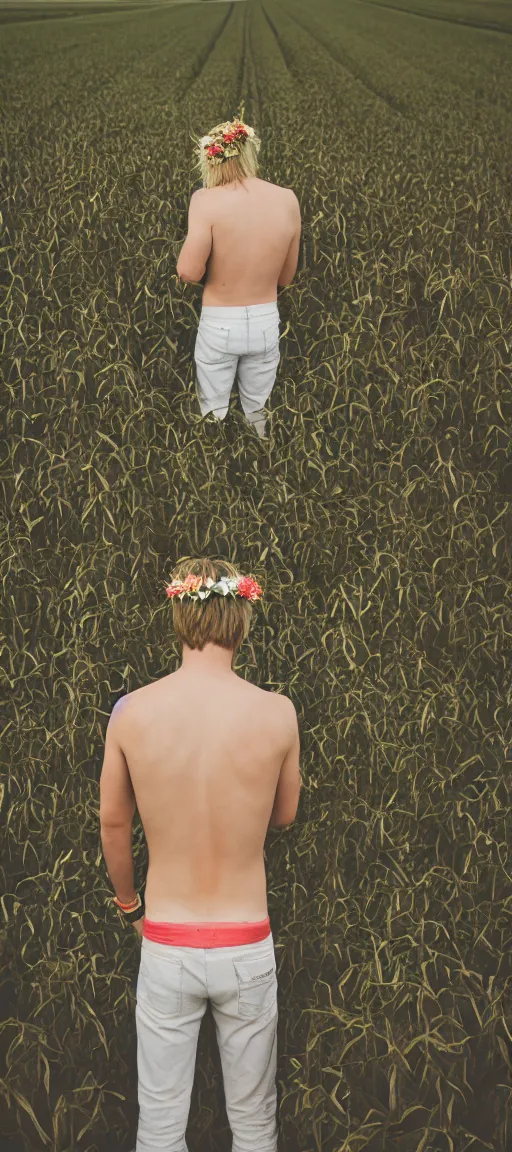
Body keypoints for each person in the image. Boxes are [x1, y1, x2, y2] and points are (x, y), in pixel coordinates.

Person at [99, 558, 301, 1152]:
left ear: (178, 614)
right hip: (246, 943)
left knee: (159, 1131)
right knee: (255, 1126)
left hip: (167, 940)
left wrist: (130, 905)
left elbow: (114, 822)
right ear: (241, 617)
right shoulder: (277, 712)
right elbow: (283, 815)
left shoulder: (132, 712)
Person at [176, 117, 301, 439]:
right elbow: (286, 277)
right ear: (249, 154)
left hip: (219, 322)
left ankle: (215, 468)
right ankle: (263, 464)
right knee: (257, 411)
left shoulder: (205, 200)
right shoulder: (287, 198)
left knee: (213, 412)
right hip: (265, 321)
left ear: (211, 159)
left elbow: (188, 272)